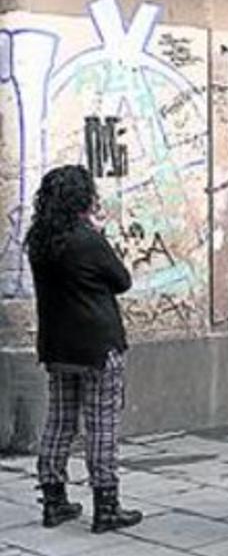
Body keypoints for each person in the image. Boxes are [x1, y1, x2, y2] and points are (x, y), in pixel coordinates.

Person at [27, 165, 142, 533]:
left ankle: (53, 498)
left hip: (58, 345)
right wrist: (99, 233)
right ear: (82, 197)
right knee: (101, 425)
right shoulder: (87, 238)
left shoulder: (40, 238)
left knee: (59, 421)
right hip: (97, 344)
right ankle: (106, 505)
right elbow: (122, 280)